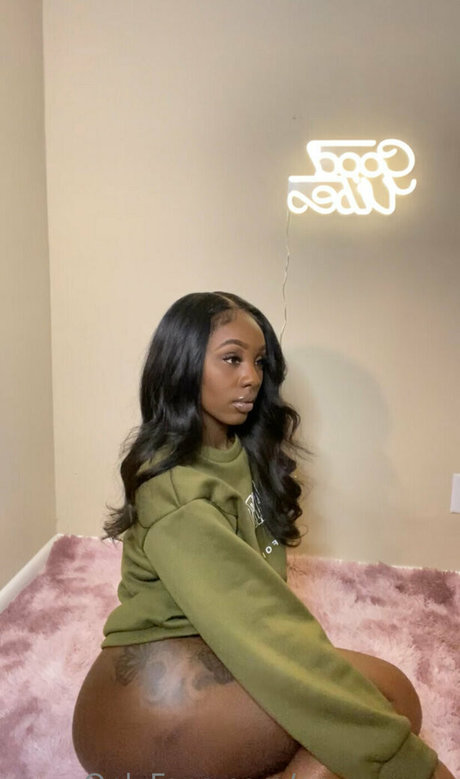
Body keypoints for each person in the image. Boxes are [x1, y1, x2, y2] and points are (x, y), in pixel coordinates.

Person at [72, 291, 455, 779]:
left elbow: (259, 602)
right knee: (385, 704)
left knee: (393, 695)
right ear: (183, 365)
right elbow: (261, 625)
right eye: (232, 359)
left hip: (208, 650)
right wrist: (418, 770)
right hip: (138, 716)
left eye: (259, 362)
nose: (251, 377)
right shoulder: (177, 493)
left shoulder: (236, 449)